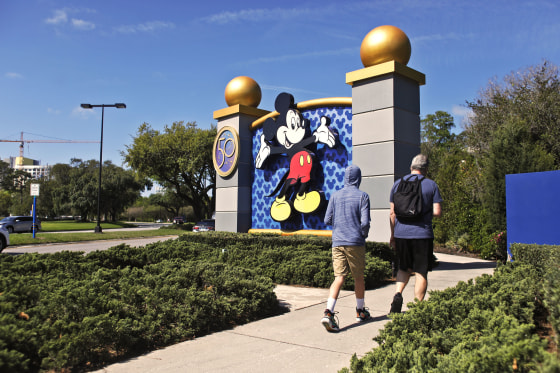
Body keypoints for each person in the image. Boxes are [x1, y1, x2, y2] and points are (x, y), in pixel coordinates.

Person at [389, 154, 442, 314]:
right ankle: (417, 309)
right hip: (422, 235)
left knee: (403, 268)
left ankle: (398, 294)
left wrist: (392, 236)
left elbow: (392, 214)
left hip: (401, 234)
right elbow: (437, 212)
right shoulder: (431, 185)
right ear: (425, 169)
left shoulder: (397, 184)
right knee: (421, 271)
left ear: (411, 167)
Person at [321, 164, 371, 332]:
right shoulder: (363, 196)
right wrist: (363, 234)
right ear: (359, 178)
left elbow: (327, 219)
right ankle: (360, 311)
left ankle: (328, 312)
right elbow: (365, 222)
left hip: (337, 242)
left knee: (339, 277)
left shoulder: (335, 196)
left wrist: (339, 224)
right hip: (355, 242)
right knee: (358, 277)